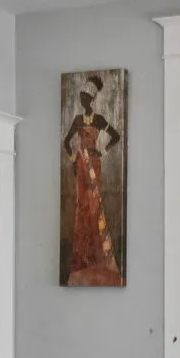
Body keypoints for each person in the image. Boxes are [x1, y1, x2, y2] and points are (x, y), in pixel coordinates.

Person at [63, 75, 124, 286]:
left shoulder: (98, 119)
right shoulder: (77, 121)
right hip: (81, 166)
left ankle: (99, 257)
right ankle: (83, 257)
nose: (83, 101)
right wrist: (73, 158)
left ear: (92, 99)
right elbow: (66, 142)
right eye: (81, 97)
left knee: (94, 205)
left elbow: (115, 136)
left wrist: (102, 151)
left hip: (94, 166)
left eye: (86, 97)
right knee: (82, 207)